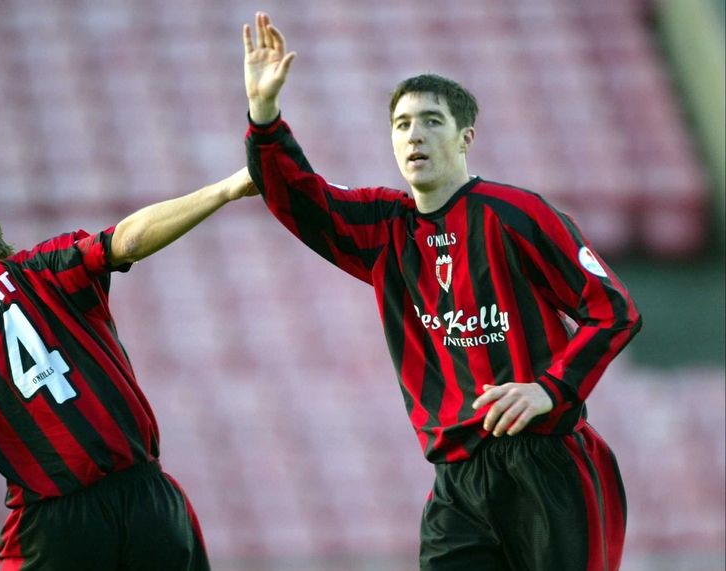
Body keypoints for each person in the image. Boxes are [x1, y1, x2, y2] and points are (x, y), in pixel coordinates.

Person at [242, 12, 642, 571]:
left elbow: (614, 312)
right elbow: (300, 197)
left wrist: (550, 389)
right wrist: (264, 115)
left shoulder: (517, 214)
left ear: (465, 136)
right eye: (402, 124)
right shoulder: (385, 227)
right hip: (458, 483)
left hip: (549, 465)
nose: (414, 135)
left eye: (431, 121)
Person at [0, 169, 257, 571]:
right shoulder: (47, 267)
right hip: (152, 504)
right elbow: (129, 239)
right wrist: (225, 189)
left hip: (58, 527)